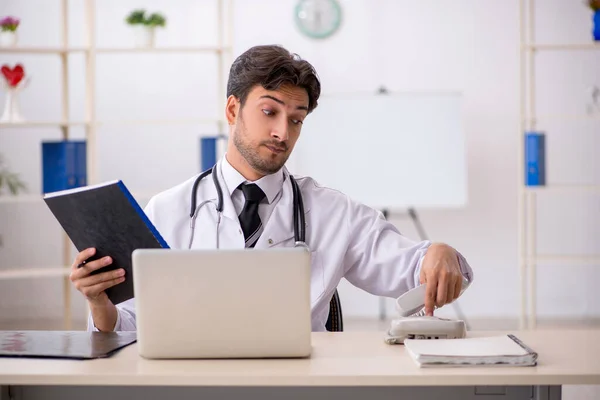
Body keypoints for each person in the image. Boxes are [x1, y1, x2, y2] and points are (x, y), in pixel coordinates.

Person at [70, 44, 474, 332]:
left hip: (298, 386)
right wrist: (98, 301)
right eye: (269, 112)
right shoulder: (167, 210)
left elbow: (414, 271)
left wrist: (439, 253)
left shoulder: (333, 212)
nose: (283, 132)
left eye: (296, 119)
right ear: (233, 110)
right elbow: (127, 327)